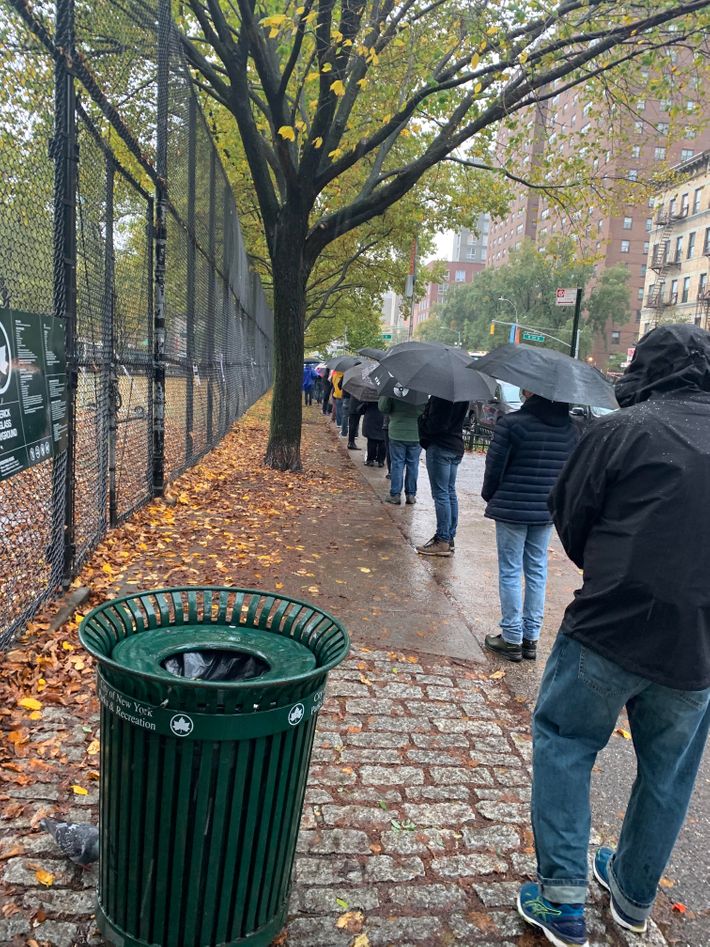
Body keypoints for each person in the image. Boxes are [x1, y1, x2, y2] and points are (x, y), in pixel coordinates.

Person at [517, 324, 710, 947]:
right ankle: (632, 896)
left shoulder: (621, 430)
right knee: (668, 774)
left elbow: (571, 516)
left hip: (608, 627)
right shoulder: (627, 429)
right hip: (696, 646)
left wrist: (614, 571)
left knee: (565, 743)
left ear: (644, 371)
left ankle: (562, 900)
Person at [481, 391, 578, 663]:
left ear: (532, 391)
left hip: (512, 506)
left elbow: (494, 467)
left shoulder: (512, 424)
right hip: (545, 509)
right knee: (537, 570)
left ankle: (511, 637)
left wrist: (491, 496)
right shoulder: (571, 429)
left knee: (510, 570)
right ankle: (530, 637)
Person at [416, 396, 469, 556]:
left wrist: (422, 420)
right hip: (455, 445)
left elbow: (436, 425)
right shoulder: (463, 396)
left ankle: (442, 539)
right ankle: (449, 537)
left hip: (441, 446)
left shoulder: (442, 397)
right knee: (449, 492)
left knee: (441, 494)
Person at [378, 395, 424, 505]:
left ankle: (395, 494)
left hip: (397, 432)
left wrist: (385, 395)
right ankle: (411, 495)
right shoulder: (423, 390)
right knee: (413, 464)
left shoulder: (394, 389)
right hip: (416, 433)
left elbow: (383, 408)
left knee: (397, 464)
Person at [360, 401, 386, 466]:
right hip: (383, 418)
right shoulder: (387, 397)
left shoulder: (370, 397)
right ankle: (381, 460)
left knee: (371, 441)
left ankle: (370, 460)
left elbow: (362, 409)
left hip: (371, 418)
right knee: (383, 441)